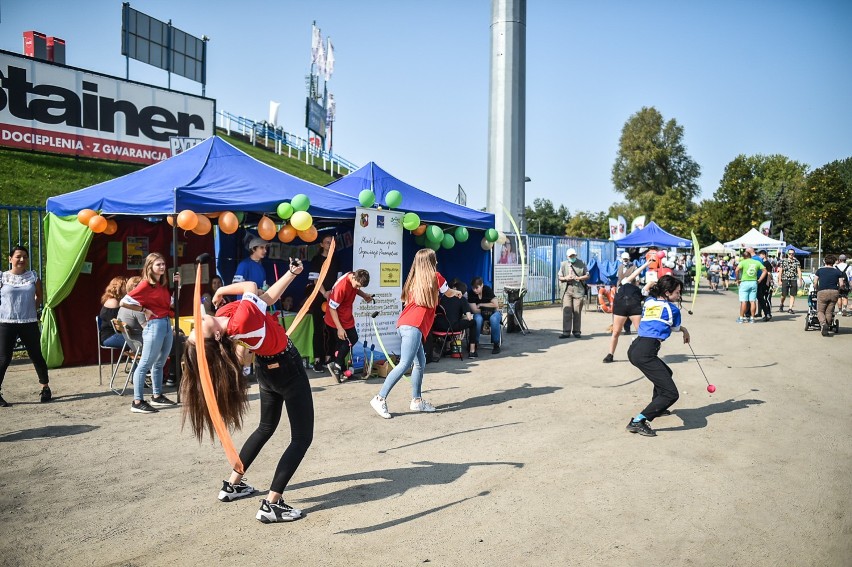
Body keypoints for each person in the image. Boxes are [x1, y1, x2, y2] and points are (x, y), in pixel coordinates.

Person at [181, 257, 312, 523]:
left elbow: (264, 297)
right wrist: (220, 290)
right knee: (301, 438)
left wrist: (291, 273)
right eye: (198, 330)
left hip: (267, 370)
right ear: (216, 337)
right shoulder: (238, 322)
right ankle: (272, 504)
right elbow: (251, 285)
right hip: (287, 367)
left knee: (265, 428)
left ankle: (233, 484)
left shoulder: (225, 318)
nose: (197, 322)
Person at [369, 249, 463, 419]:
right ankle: (379, 397)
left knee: (420, 362)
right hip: (413, 326)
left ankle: (417, 401)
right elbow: (448, 292)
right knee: (405, 364)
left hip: (406, 324)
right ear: (432, 261)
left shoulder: (414, 279)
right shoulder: (436, 277)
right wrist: (456, 292)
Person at [625, 275, 690, 437]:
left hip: (636, 348)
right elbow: (674, 327)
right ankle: (638, 421)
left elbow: (645, 292)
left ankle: (657, 407)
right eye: (677, 292)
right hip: (645, 351)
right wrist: (684, 330)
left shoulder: (649, 302)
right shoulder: (673, 309)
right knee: (671, 393)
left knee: (666, 373)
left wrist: (652, 285)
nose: (679, 296)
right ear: (667, 293)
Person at [121, 253, 179, 413]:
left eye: (163, 264)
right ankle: (137, 401)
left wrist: (177, 286)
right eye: (158, 264)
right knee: (145, 363)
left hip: (166, 323)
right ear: (150, 267)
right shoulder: (145, 285)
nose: (162, 267)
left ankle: (157, 395)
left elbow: (171, 304)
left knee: (159, 362)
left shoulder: (160, 285)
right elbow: (124, 302)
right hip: (155, 325)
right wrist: (143, 309)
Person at [0, 246, 51, 406]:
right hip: (6, 323)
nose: (22, 259)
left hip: (28, 322)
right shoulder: (2, 277)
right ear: (10, 259)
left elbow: (39, 296)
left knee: (36, 355)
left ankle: (45, 388)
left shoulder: (33, 276)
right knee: (3, 359)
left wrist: (30, 309)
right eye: (18, 256)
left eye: (24, 256)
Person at [323, 269, 373, 382]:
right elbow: (331, 308)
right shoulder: (342, 287)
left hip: (346, 316)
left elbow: (355, 290)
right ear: (354, 278)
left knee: (353, 338)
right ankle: (338, 367)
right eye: (357, 285)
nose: (357, 288)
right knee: (344, 343)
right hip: (335, 318)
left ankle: (338, 366)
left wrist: (364, 296)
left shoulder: (353, 278)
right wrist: (339, 328)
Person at [233, 237, 269, 377]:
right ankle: (236, 373)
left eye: (265, 248)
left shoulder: (261, 266)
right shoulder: (244, 265)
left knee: (251, 342)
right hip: (244, 309)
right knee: (241, 342)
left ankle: (246, 372)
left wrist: (265, 290)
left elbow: (263, 287)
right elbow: (236, 287)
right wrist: (256, 291)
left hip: (257, 309)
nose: (265, 251)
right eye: (262, 248)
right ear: (253, 249)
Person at [603, 260, 649, 363]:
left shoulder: (638, 289)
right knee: (616, 332)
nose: (636, 280)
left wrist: (651, 282)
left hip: (634, 309)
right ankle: (610, 354)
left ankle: (644, 354)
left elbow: (645, 292)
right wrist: (646, 264)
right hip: (621, 309)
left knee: (642, 332)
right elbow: (634, 274)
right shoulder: (623, 283)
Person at [308, 234, 339, 372]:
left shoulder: (336, 260)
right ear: (321, 245)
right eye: (327, 242)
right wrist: (324, 292)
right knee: (319, 330)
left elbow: (339, 280)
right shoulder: (316, 260)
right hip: (319, 297)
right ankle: (317, 360)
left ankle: (329, 357)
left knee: (332, 329)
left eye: (332, 242)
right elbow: (315, 280)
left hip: (332, 298)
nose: (329, 245)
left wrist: (332, 293)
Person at [430, 280, 476, 360]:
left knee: (448, 319)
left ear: (455, 289)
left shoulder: (443, 297)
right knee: (473, 322)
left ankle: (447, 348)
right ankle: (472, 351)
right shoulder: (462, 299)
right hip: (452, 327)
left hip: (438, 326)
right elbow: (469, 317)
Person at [557, 248, 589, 338]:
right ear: (567, 256)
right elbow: (560, 277)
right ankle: (566, 332)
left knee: (577, 311)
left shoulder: (582, 263)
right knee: (567, 310)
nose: (572, 257)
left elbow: (587, 275)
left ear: (576, 255)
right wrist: (566, 278)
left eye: (573, 255)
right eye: (570, 256)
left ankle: (576, 331)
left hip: (578, 290)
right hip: (567, 290)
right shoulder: (563, 264)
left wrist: (579, 278)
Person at [813, 254, 847, 337]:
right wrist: (839, 289)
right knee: (829, 311)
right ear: (834, 262)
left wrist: (817, 289)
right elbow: (841, 284)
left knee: (820, 311)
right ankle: (827, 326)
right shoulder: (837, 272)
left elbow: (815, 282)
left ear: (825, 261)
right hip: (834, 292)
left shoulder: (820, 270)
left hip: (822, 291)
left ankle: (823, 324)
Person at [467, 276, 502, 354]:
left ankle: (496, 344)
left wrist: (481, 304)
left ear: (482, 285)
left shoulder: (487, 290)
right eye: (473, 288)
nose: (475, 290)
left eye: (477, 288)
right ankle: (474, 343)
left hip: (494, 312)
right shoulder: (471, 293)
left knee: (494, 319)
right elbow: (474, 310)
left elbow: (496, 305)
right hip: (480, 313)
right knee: (477, 320)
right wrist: (488, 306)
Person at [734, 250, 766, 323]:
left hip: (745, 282)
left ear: (743, 257)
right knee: (752, 301)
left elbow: (736, 270)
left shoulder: (742, 262)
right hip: (753, 282)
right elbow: (765, 271)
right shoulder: (756, 262)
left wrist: (737, 279)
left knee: (744, 301)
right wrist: (760, 280)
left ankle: (741, 318)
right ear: (750, 256)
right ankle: (752, 318)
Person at [99, 276, 128, 349]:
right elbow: (117, 326)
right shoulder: (113, 302)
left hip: (116, 334)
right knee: (140, 341)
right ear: (120, 288)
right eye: (126, 286)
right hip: (110, 336)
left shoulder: (115, 300)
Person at [777, 249, 802, 314]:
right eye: (790, 253)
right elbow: (780, 271)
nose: (791, 255)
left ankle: (790, 308)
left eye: (792, 254)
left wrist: (800, 280)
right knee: (784, 294)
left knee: (792, 294)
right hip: (785, 278)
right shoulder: (783, 261)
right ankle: (781, 304)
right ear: (787, 254)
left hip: (793, 279)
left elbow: (799, 271)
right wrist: (779, 280)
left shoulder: (796, 261)